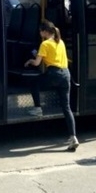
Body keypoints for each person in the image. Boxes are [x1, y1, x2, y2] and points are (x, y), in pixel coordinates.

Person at [24, 19, 79, 151]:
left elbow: (37, 63)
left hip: (54, 74)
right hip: (66, 74)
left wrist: (30, 61)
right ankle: (73, 137)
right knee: (66, 108)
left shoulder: (45, 44)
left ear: (44, 31)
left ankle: (38, 108)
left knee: (33, 82)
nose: (39, 33)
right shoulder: (60, 42)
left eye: (40, 31)